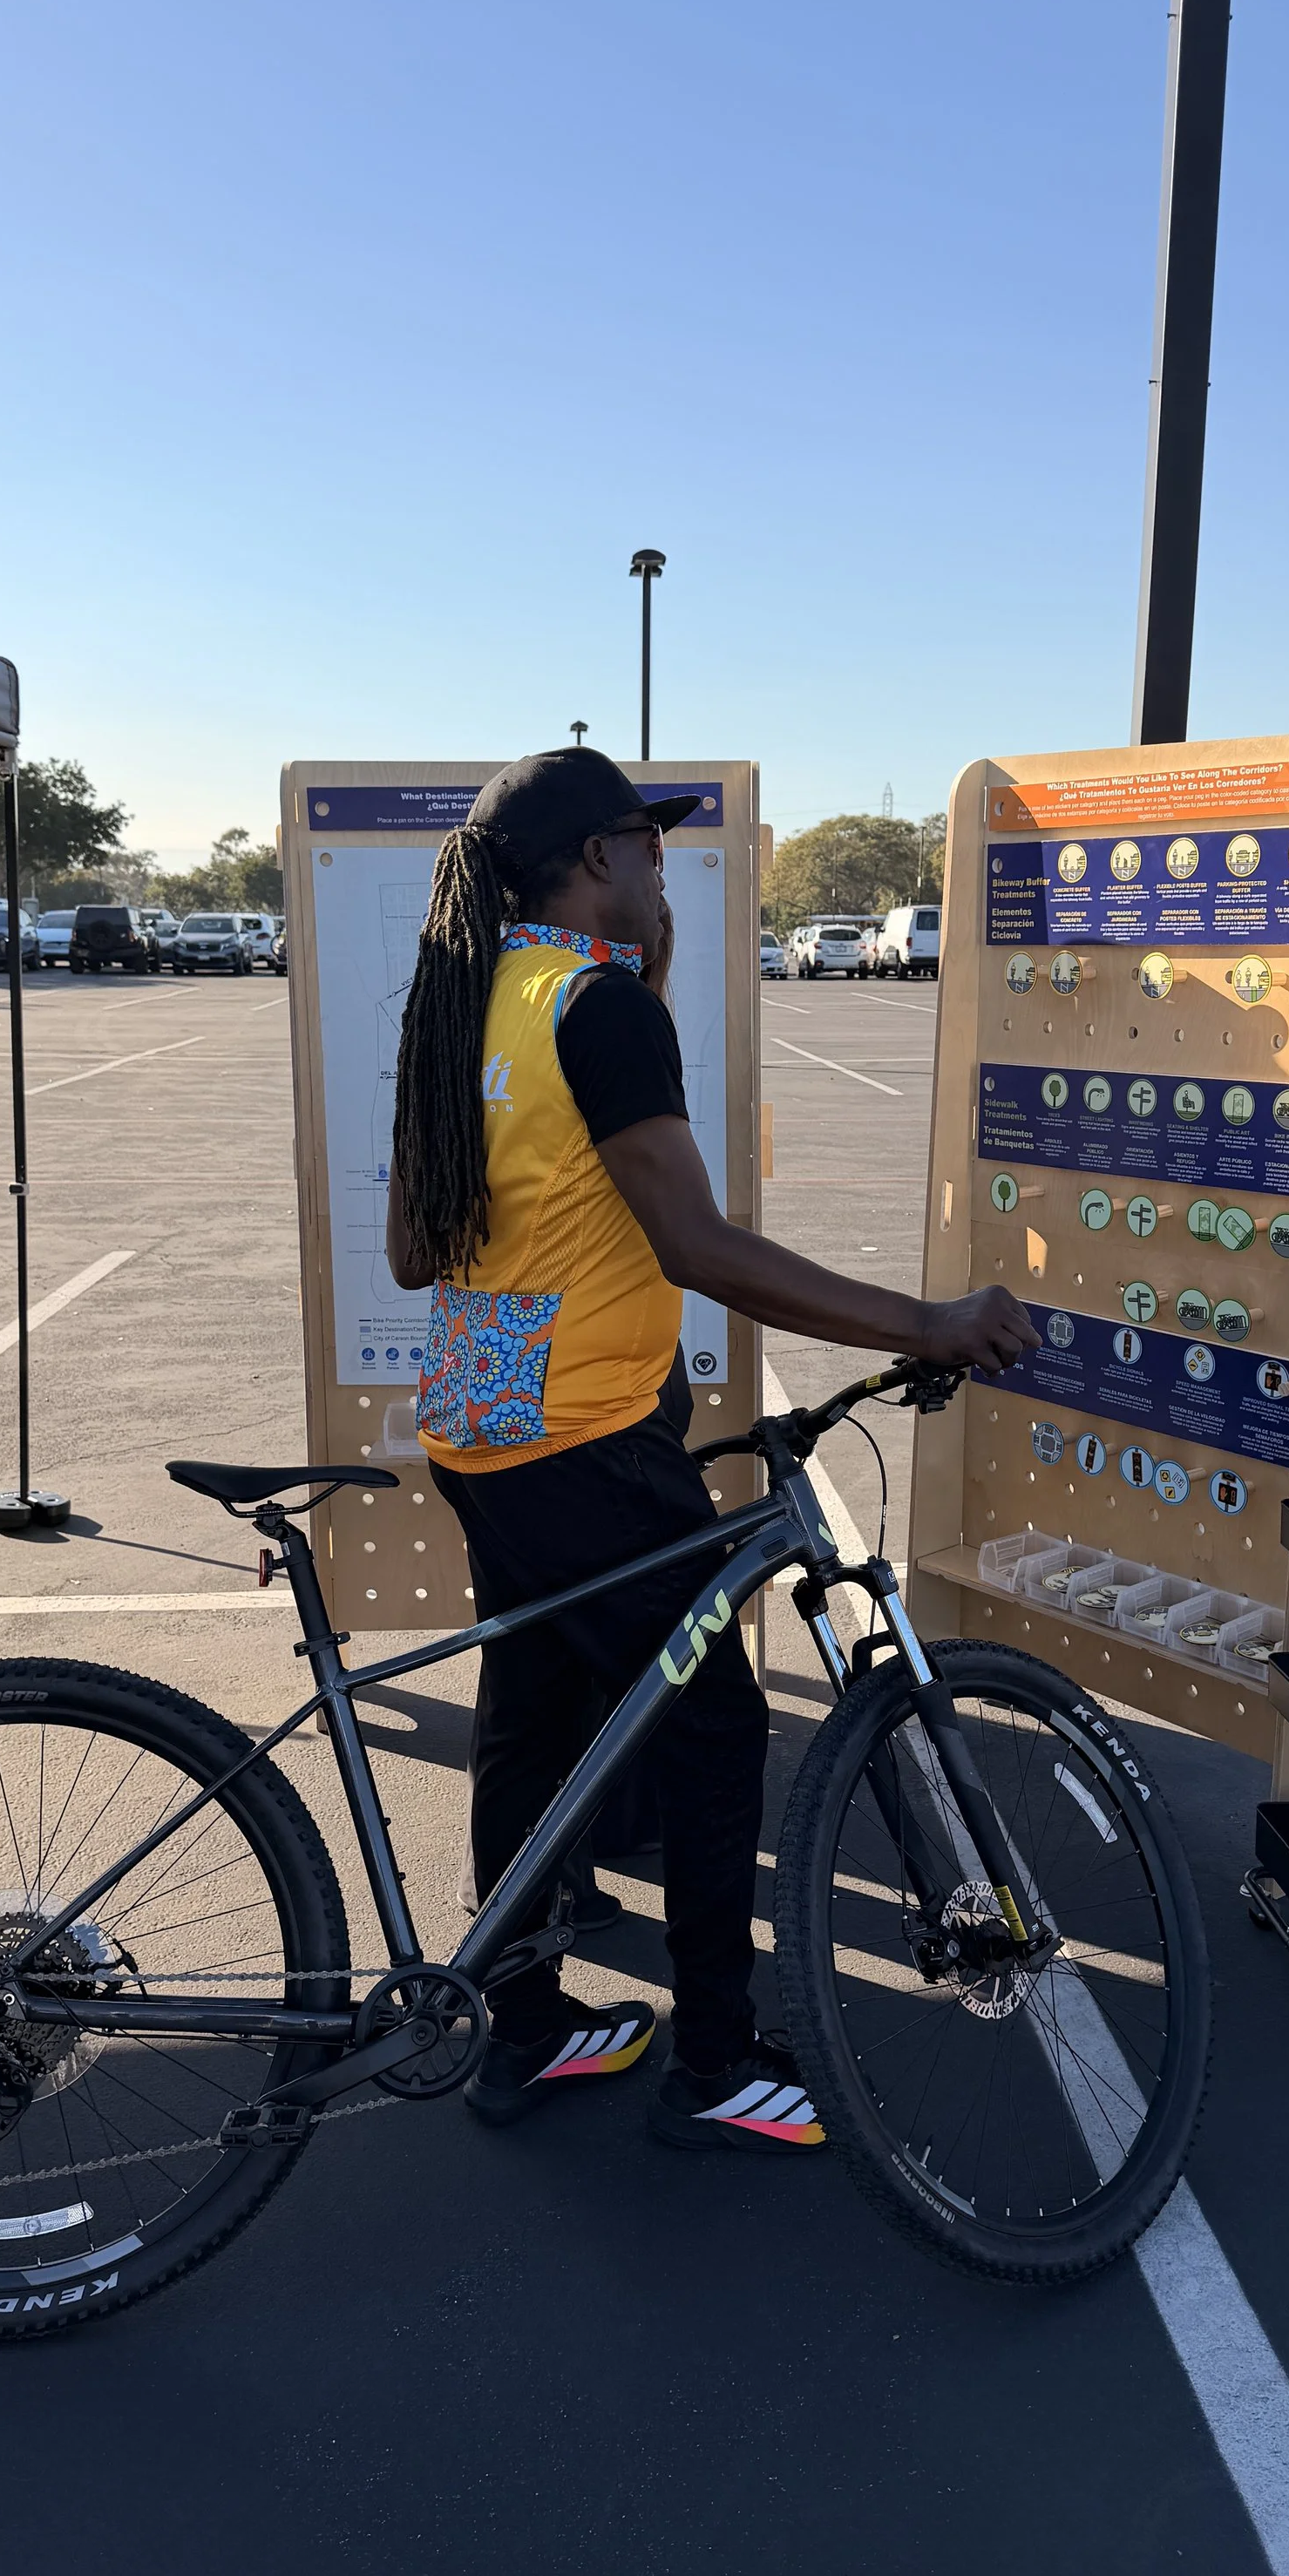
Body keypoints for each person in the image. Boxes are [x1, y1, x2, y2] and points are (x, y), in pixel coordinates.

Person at [387, 747, 1036, 2152]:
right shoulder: (602, 1007)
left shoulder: (471, 999)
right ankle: (719, 2060)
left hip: (478, 1425)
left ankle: (530, 2026)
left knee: (534, 1721)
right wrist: (928, 1320)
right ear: (599, 859)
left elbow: (409, 1244)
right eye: (649, 844)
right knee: (713, 1726)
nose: (662, 868)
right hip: (589, 1432)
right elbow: (700, 1247)